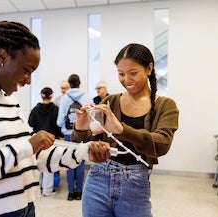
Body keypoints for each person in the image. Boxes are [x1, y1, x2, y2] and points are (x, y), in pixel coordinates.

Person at [0, 19, 111, 217]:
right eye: (26, 70)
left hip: (24, 208)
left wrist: (83, 152)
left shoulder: (11, 102)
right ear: (3, 57)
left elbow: (32, 157)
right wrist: (29, 146)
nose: (28, 80)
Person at [71, 43, 179, 217]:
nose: (126, 80)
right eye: (121, 74)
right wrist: (81, 128)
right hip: (98, 177)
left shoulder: (165, 105)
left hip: (135, 182)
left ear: (149, 68)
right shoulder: (110, 101)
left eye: (133, 73)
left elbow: (162, 144)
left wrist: (122, 129)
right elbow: (81, 144)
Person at [56, 73, 92, 201]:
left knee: (69, 162)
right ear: (79, 83)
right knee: (81, 162)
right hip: (82, 132)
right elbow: (91, 117)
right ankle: (79, 192)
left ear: (69, 84)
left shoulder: (65, 98)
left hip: (67, 134)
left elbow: (60, 120)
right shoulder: (87, 97)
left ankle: (70, 192)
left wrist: (62, 126)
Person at [28, 87, 62, 197]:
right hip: (51, 140)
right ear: (51, 96)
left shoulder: (35, 109)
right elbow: (58, 125)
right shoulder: (55, 109)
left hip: (37, 140)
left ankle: (37, 189)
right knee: (49, 165)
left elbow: (30, 123)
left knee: (37, 165)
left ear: (41, 95)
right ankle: (47, 190)